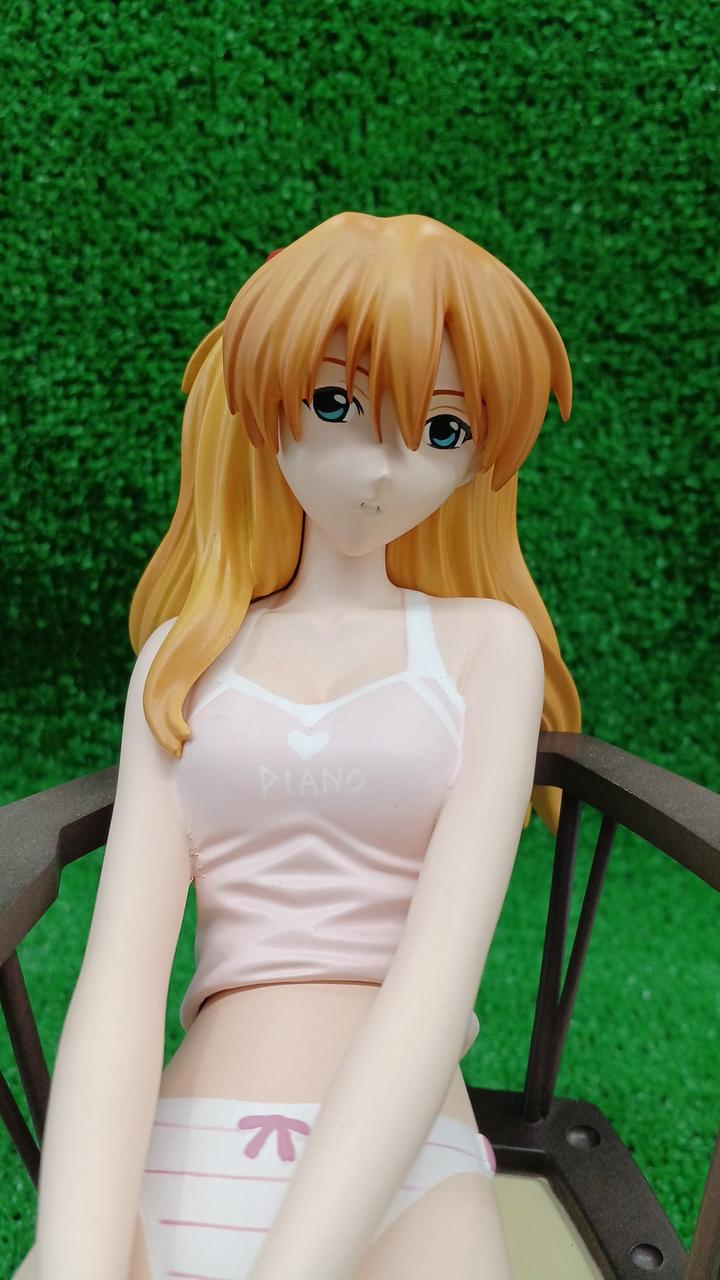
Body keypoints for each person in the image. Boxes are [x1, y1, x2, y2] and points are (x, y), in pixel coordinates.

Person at [25, 211, 580, 1280]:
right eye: (336, 405)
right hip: (187, 1136)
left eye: (445, 430)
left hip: (396, 1156)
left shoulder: (485, 648)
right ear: (266, 402)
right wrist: (80, 1256)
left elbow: (435, 987)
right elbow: (120, 978)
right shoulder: (186, 658)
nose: (385, 467)